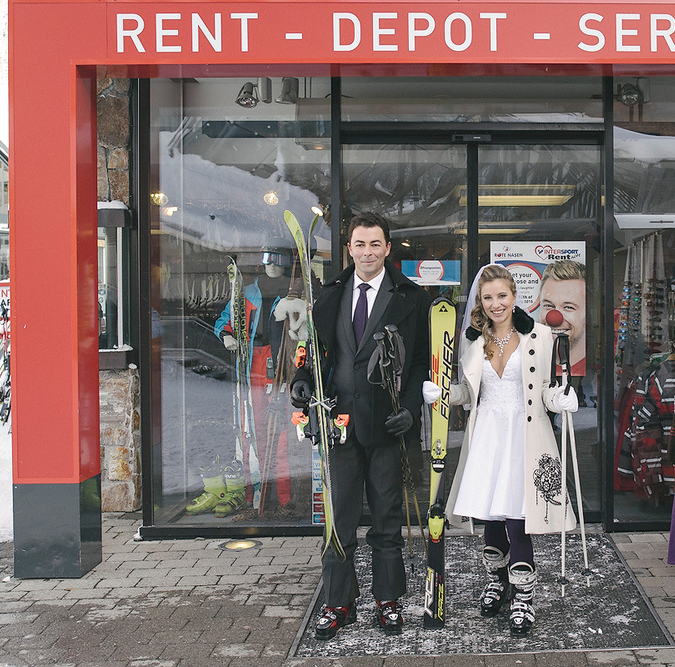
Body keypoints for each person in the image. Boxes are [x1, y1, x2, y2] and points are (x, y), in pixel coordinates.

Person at [289, 212, 429, 640]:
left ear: (388, 248)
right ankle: (338, 603)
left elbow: (422, 362)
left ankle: (388, 601)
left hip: (388, 427)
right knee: (340, 521)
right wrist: (301, 383)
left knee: (387, 520)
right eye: (359, 244)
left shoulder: (411, 298)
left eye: (375, 245)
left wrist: (410, 409)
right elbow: (313, 354)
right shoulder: (328, 296)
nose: (367, 252)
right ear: (348, 248)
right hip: (337, 426)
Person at [423, 264, 577, 637]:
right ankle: (497, 581)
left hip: (525, 435)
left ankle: (523, 596)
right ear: (481, 300)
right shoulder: (474, 340)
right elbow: (468, 393)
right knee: (492, 516)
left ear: (514, 296)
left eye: (502, 296)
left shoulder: (540, 336)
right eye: (488, 298)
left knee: (517, 516)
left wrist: (559, 397)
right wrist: (442, 393)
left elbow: (543, 389)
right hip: (488, 435)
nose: (496, 304)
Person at [191, 240, 305, 519]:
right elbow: (225, 320)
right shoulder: (247, 294)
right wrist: (226, 335)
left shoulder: (294, 297)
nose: (272, 268)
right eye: (268, 261)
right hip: (250, 367)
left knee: (281, 437)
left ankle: (284, 500)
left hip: (281, 369)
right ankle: (254, 498)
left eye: (278, 262)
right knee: (252, 435)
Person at [537, 259, 587, 376]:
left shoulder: (598, 372)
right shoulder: (526, 365)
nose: (554, 318)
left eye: (568, 307)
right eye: (548, 306)